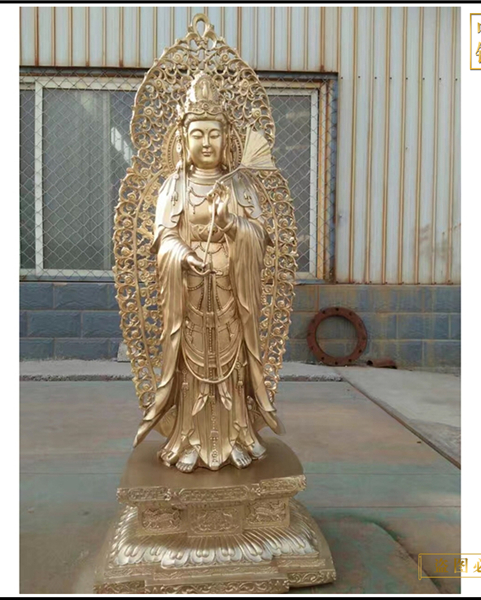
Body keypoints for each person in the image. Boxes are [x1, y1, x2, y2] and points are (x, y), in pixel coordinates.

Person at [132, 73, 283, 472]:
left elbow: (261, 236)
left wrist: (232, 224)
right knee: (193, 370)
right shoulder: (174, 186)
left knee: (231, 367)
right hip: (190, 294)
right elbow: (163, 237)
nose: (205, 143)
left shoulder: (240, 185)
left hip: (232, 293)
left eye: (213, 134)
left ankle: (236, 436)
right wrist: (182, 254)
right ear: (183, 139)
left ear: (226, 138)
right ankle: (189, 439)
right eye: (197, 134)